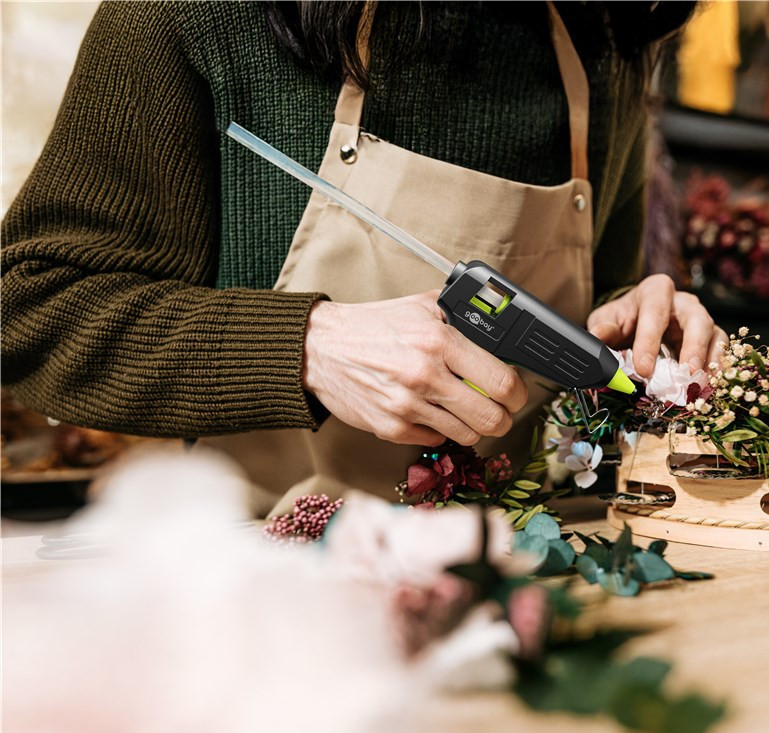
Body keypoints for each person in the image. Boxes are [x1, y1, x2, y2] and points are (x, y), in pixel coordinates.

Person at [1, 1, 725, 514]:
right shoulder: (201, 16)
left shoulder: (603, 45)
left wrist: (638, 340)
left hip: (531, 575)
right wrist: (308, 345)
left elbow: (596, 315)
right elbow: (28, 307)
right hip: (274, 594)